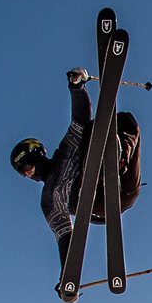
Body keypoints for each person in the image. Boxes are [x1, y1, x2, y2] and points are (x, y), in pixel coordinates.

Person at [9, 67, 141, 268]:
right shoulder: (48, 201)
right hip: (94, 202)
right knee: (91, 132)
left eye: (26, 165)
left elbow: (80, 116)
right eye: (22, 172)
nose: (27, 173)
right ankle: (107, 162)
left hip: (125, 190)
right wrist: (67, 276)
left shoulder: (66, 147)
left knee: (124, 121)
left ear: (37, 154)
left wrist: (76, 87)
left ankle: (116, 156)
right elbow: (64, 236)